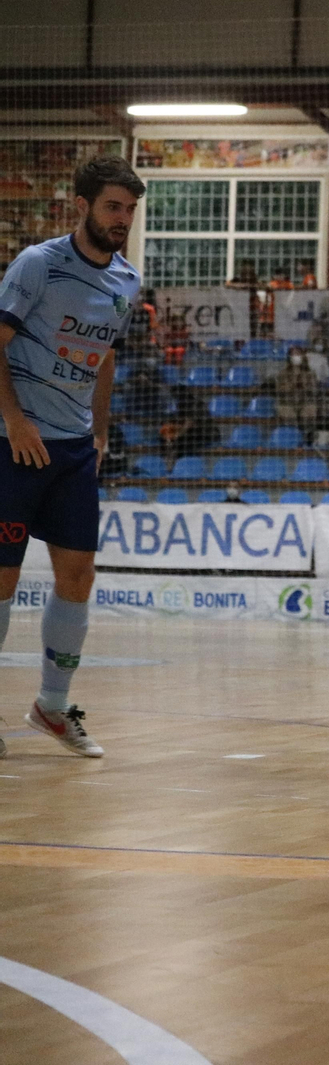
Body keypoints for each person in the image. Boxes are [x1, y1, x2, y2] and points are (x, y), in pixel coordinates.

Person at [0, 155, 145, 760]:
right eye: (113, 207)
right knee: (3, 579)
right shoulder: (39, 264)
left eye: (131, 210)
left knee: (78, 577)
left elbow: (104, 354)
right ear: (81, 206)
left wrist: (101, 431)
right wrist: (14, 420)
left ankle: (51, 706)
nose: (123, 220)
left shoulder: (127, 281)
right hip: (11, 446)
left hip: (74, 450)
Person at [159, 384, 219, 463]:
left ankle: (181, 463)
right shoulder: (180, 405)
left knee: (181, 441)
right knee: (165, 436)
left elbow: (189, 424)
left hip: (206, 434)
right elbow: (179, 424)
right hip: (191, 432)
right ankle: (168, 461)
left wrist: (177, 435)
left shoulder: (194, 404)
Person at [274, 346, 321, 435]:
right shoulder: (282, 373)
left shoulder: (310, 373)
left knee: (310, 411)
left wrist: (306, 386)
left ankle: (308, 436)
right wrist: (293, 384)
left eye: (298, 354)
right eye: (293, 354)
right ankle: (293, 436)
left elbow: (315, 390)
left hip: (305, 402)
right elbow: (280, 390)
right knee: (288, 414)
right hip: (287, 403)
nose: (296, 356)